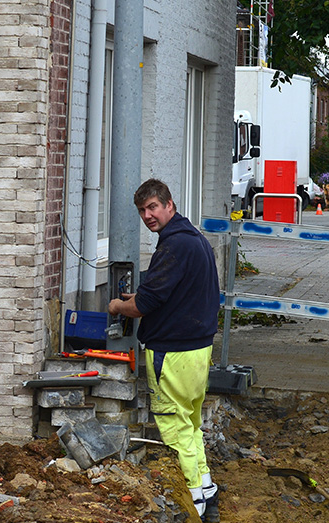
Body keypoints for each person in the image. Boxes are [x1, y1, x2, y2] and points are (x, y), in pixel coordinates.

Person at [107, 178, 221, 522]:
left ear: (169, 204)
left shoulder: (173, 247)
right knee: (191, 422)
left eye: (153, 207)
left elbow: (147, 303)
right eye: (142, 210)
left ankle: (193, 502)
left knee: (174, 427)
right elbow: (172, 294)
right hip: (198, 350)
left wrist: (117, 306)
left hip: (173, 354)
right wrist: (139, 299)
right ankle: (206, 488)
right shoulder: (194, 240)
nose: (147, 216)